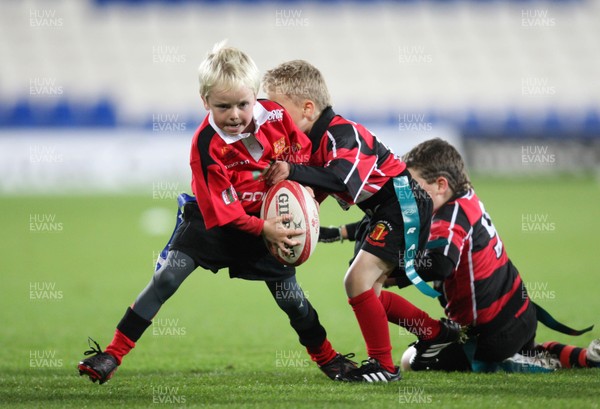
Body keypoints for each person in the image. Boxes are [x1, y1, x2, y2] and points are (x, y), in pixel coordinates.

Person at [77, 42, 357, 385]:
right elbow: (223, 212)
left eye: (243, 103)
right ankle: (112, 354)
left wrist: (302, 190)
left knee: (292, 299)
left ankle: (328, 359)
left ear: (255, 95)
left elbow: (302, 152)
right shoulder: (205, 145)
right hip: (217, 223)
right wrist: (264, 228)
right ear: (204, 101)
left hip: (268, 215)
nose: (236, 114)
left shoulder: (277, 116)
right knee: (168, 277)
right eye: (224, 106)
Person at [261, 60, 463, 383]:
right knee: (372, 291)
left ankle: (384, 366)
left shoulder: (343, 134)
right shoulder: (315, 143)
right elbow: (314, 191)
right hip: (384, 208)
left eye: (278, 111)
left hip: (403, 203)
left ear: (308, 109)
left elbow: (341, 179)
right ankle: (436, 332)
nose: (273, 118)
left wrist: (293, 171)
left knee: (357, 282)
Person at [393, 138, 599, 372]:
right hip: (518, 312)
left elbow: (440, 264)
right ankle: (585, 357)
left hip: (493, 332)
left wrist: (392, 272)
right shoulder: (466, 197)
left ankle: (521, 364)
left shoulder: (449, 218)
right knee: (428, 351)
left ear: (441, 184)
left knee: (414, 360)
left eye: (414, 187)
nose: (408, 195)